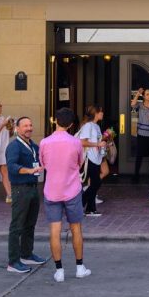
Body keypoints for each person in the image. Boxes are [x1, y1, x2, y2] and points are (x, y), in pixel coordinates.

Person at [39, 108, 91, 282]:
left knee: (55, 229)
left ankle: (59, 270)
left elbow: (43, 163)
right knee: (76, 228)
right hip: (72, 190)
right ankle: (79, 266)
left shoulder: (45, 142)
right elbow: (80, 162)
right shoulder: (75, 142)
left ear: (56, 121)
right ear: (71, 125)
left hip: (52, 190)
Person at [5, 116, 46, 274]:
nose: (29, 128)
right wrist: (29, 170)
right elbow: (12, 166)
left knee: (30, 224)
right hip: (20, 189)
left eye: (30, 125)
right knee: (17, 226)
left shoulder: (33, 146)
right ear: (17, 128)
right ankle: (13, 261)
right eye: (25, 126)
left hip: (33, 188)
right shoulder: (14, 146)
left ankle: (26, 254)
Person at [77, 105, 107, 217]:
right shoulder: (88, 126)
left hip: (96, 158)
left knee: (95, 183)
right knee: (96, 183)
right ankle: (82, 205)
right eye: (101, 112)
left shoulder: (96, 126)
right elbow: (82, 142)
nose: (102, 114)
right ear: (96, 113)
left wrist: (103, 143)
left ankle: (90, 209)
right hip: (89, 158)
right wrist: (97, 144)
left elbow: (97, 141)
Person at [130, 87, 149, 182]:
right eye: (147, 94)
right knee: (139, 155)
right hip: (142, 133)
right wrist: (138, 93)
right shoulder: (140, 105)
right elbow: (132, 104)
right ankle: (136, 175)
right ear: (143, 96)